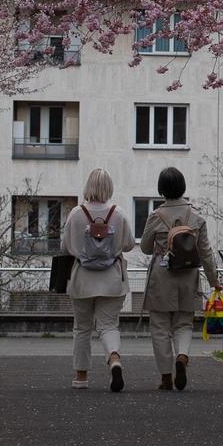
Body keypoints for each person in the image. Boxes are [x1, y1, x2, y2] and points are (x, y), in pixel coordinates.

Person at [139, 167, 220, 391]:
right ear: (183, 186)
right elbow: (205, 253)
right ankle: (182, 357)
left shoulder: (155, 216)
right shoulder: (196, 217)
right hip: (188, 277)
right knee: (184, 323)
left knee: (160, 327)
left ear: (161, 189)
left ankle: (166, 377)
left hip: (161, 278)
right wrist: (214, 281)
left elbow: (145, 248)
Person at [63, 168, 135, 392]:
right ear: (109, 187)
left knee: (82, 328)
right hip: (112, 280)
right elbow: (130, 244)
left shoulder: (76, 214)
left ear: (88, 186)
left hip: (82, 279)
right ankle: (114, 359)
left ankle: (81, 376)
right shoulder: (119, 214)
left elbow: (65, 247)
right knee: (108, 326)